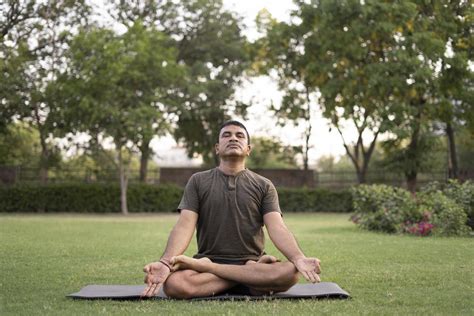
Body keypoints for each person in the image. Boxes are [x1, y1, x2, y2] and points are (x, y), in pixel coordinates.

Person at [141, 120, 321, 298]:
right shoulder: (198, 181)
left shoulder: (264, 185)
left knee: (291, 272)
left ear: (248, 149)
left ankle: (213, 269)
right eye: (226, 135)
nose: (233, 138)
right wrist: (165, 262)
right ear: (217, 148)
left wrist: (298, 258)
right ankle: (250, 279)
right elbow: (184, 225)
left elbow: (277, 227)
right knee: (175, 285)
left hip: (239, 262)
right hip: (225, 261)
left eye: (239, 136)